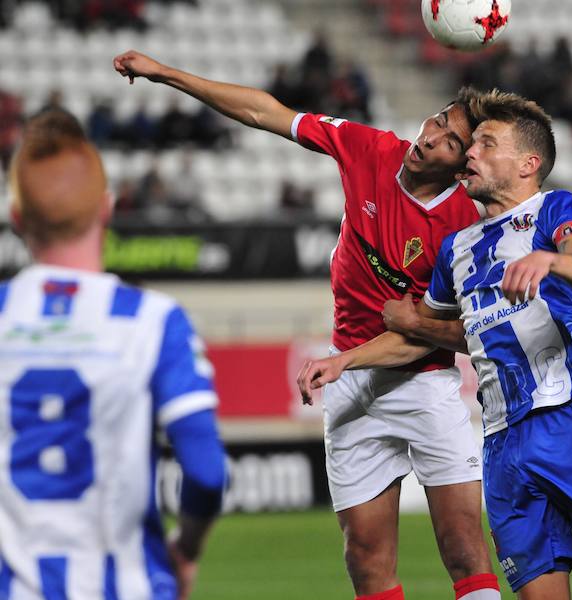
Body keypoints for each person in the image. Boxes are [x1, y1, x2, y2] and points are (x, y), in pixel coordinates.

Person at [112, 51, 500, 600]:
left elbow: (440, 335)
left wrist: (350, 356)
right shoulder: (371, 149)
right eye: (437, 119)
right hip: (351, 384)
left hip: (425, 385)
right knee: (366, 561)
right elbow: (265, 113)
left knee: (463, 546)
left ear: (463, 166)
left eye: (451, 139)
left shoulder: (466, 223)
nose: (432, 134)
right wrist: (167, 74)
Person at [298, 90, 572, 600]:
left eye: (486, 144)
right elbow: (419, 338)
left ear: (527, 163)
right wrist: (345, 360)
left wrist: (551, 261)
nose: (469, 153)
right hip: (503, 443)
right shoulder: (458, 248)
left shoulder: (554, 210)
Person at [0, 108, 226, 599]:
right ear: (106, 208)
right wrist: (186, 550)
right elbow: (207, 471)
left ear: (17, 219)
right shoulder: (153, 320)